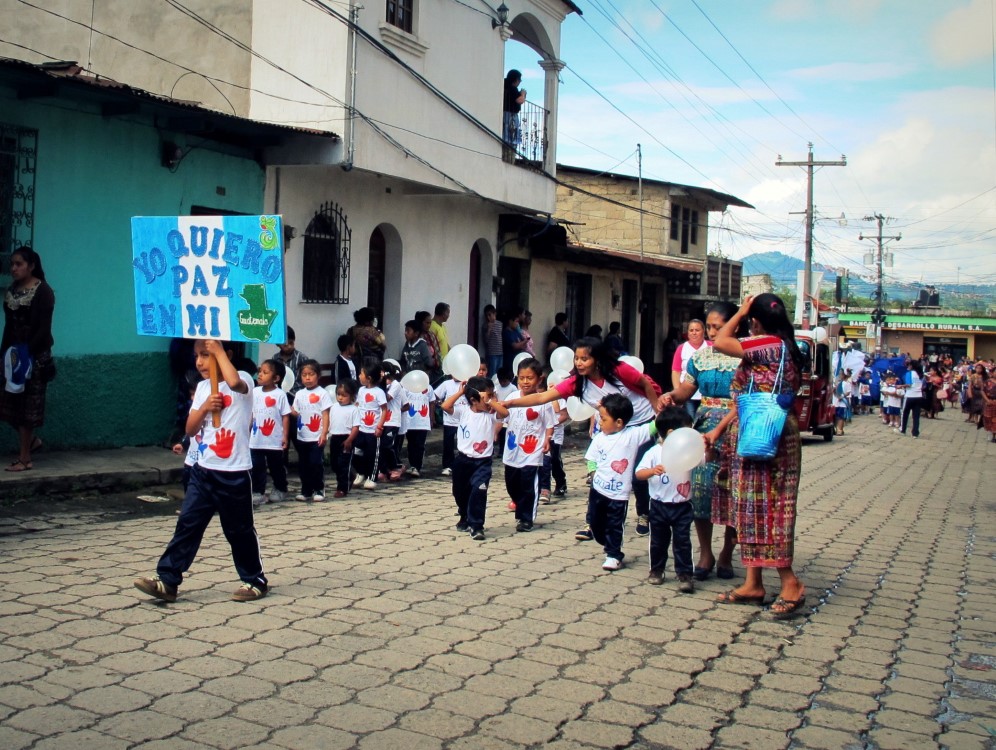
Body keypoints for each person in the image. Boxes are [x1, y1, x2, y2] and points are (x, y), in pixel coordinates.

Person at [134, 339, 267, 603]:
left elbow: (234, 383)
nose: (199, 362)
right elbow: (190, 428)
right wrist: (206, 407)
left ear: (226, 354)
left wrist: (218, 349)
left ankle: (255, 580)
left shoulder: (243, 379)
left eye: (206, 355)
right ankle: (167, 580)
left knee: (238, 530)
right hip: (202, 471)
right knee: (188, 524)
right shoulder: (205, 387)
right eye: (197, 356)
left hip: (234, 473)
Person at [503, 337, 661, 540]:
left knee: (637, 475)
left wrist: (658, 412)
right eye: (576, 358)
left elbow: (645, 383)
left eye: (584, 359)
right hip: (611, 428)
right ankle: (592, 523)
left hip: (641, 422)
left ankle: (644, 514)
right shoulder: (577, 383)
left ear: (597, 359)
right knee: (600, 475)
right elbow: (542, 397)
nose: (579, 363)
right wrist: (510, 403)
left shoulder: (618, 370)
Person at [712, 293, 806, 620]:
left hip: (762, 434)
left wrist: (740, 312)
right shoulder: (790, 347)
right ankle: (753, 582)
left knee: (768, 508)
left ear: (756, 319)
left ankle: (790, 583)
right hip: (770, 431)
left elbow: (720, 342)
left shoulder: (768, 344)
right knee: (751, 506)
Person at [657, 301, 744, 582]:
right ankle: (706, 553)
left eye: (718, 327)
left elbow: (744, 400)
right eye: (709, 327)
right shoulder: (700, 358)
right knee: (700, 490)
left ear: (735, 326)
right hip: (704, 431)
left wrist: (721, 427)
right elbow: (687, 389)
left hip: (737, 429)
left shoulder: (746, 356)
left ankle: (727, 553)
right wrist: (671, 396)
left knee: (734, 492)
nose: (712, 332)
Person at [584, 394, 659, 571]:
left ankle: (613, 554)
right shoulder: (599, 438)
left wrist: (662, 408)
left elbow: (654, 426)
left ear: (619, 422)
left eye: (604, 419)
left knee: (615, 524)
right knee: (595, 522)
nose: (600, 422)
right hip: (597, 490)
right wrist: (593, 473)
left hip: (619, 494)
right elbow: (591, 458)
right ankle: (605, 540)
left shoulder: (632, 435)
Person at [1, 246, 56, 472]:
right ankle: (31, 442)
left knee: (26, 407)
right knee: (8, 403)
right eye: (12, 264)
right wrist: (4, 354)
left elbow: (43, 329)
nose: (14, 268)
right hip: (13, 354)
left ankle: (25, 459)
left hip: (34, 355)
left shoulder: (43, 291)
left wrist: (26, 354)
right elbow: (8, 327)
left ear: (31, 266)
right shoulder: (12, 290)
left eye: (19, 264)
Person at [635, 406, 697, 592]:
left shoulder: (688, 451)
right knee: (658, 541)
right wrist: (651, 471)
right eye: (687, 431)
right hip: (659, 505)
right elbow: (639, 474)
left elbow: (704, 458)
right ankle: (657, 570)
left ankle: (685, 573)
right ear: (671, 433)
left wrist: (708, 449)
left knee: (683, 541)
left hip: (682, 506)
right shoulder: (654, 452)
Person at [441, 376, 509, 541]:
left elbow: (505, 413)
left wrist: (491, 401)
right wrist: (460, 393)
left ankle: (477, 525)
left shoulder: (491, 414)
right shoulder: (464, 412)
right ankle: (464, 515)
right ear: (473, 399)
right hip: (463, 460)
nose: (491, 399)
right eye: (487, 396)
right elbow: (445, 406)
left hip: (483, 462)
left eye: (492, 395)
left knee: (479, 491)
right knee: (460, 492)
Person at [502, 358, 554, 532]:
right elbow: (503, 417)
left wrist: (547, 439)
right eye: (522, 377)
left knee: (528, 484)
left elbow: (550, 424)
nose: (525, 382)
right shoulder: (512, 398)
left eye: (530, 378)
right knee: (512, 483)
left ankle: (526, 519)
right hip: (512, 449)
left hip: (532, 451)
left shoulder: (543, 401)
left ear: (539, 379)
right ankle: (520, 504)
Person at [249, 359, 291, 506]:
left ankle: (280, 488)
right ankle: (258, 492)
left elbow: (285, 416)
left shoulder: (280, 395)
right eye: (260, 371)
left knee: (276, 466)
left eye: (265, 372)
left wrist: (285, 436)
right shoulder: (254, 392)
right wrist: (247, 430)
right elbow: (251, 413)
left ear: (276, 378)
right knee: (257, 466)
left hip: (274, 439)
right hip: (256, 438)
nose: (260, 375)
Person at [291, 360, 332, 501]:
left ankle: (319, 488)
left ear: (318, 375)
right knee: (303, 465)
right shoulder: (299, 394)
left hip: (316, 436)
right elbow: (296, 412)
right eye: (304, 375)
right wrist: (289, 410)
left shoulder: (322, 393)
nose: (307, 378)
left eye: (311, 374)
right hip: (302, 436)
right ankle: (306, 490)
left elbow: (325, 414)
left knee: (315, 463)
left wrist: (324, 433)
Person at [353, 362, 388, 490]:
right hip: (360, 428)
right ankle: (360, 472)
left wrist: (379, 426)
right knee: (356, 452)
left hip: (373, 430)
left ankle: (372, 477)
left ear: (369, 378)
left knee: (373, 455)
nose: (359, 376)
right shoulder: (361, 390)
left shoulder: (379, 392)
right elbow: (358, 405)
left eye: (361, 374)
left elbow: (384, 410)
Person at [328, 378, 360, 498]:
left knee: (343, 464)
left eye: (344, 395)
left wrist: (349, 440)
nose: (340, 398)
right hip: (335, 437)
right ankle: (350, 475)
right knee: (334, 463)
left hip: (347, 438)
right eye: (338, 394)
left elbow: (356, 427)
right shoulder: (334, 407)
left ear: (352, 396)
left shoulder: (353, 410)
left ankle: (342, 488)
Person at [672, 319, 707, 418]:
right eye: (691, 330)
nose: (694, 333)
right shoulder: (681, 348)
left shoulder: (711, 346)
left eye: (697, 330)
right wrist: (678, 392)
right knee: (690, 420)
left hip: (706, 394)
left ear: (703, 331)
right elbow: (676, 371)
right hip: (687, 394)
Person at [377, 362, 404, 482]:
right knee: (380, 446)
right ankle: (383, 470)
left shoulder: (396, 385)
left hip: (392, 420)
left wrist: (381, 384)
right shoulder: (379, 385)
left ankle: (395, 466)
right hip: (381, 420)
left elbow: (386, 398)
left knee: (387, 445)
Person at [401, 381, 433, 477]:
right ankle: (412, 465)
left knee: (420, 444)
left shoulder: (428, 387)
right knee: (411, 444)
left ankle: (417, 466)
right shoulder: (406, 387)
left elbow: (432, 402)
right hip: (410, 421)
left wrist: (432, 418)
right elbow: (403, 402)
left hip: (422, 421)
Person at [434, 373, 461, 476]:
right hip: (449, 420)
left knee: (462, 444)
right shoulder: (446, 384)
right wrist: (440, 403)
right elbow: (436, 395)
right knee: (448, 444)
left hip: (463, 420)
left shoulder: (468, 383)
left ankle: (460, 465)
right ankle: (447, 465)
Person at [275, 326, 309, 398]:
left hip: (298, 395)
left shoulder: (301, 358)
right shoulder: (275, 359)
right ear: (278, 344)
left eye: (291, 343)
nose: (289, 346)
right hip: (280, 395)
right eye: (285, 345)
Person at [898, 361, 925, 438]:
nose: (907, 366)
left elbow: (909, 384)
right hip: (919, 396)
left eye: (908, 365)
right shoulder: (920, 375)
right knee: (916, 416)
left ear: (911, 366)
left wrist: (901, 386)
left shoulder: (909, 373)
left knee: (905, 413)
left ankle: (902, 429)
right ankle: (915, 433)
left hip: (910, 395)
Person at [502, 69, 526, 148]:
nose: (519, 82)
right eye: (519, 80)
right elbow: (520, 100)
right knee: (511, 135)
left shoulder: (504, 85)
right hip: (510, 115)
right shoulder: (512, 88)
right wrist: (523, 94)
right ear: (516, 80)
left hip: (505, 114)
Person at [482, 305, 503, 377]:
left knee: (499, 373)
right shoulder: (485, 325)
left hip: (500, 352)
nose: (489, 317)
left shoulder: (500, 324)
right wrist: (489, 329)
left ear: (495, 313)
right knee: (492, 373)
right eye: (487, 315)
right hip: (492, 353)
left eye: (490, 315)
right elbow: (486, 340)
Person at [980, 367, 996, 443]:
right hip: (989, 402)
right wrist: (987, 400)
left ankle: (994, 435)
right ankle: (991, 433)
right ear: (993, 373)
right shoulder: (987, 382)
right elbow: (982, 391)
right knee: (989, 419)